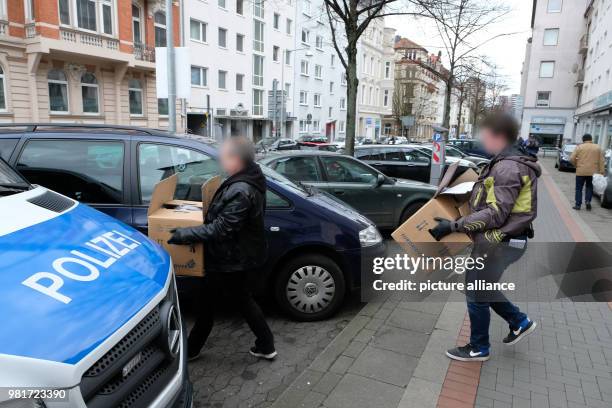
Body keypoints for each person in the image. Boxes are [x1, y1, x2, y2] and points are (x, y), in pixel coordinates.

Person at [430, 112, 541, 362]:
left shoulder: (508, 167)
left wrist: (454, 225)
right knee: (482, 287)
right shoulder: (505, 161)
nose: (482, 141)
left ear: (499, 137)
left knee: (476, 290)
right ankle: (519, 321)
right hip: (502, 241)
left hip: (501, 241)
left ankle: (479, 347)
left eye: (486, 135)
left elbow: (495, 213)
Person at [168, 136, 276, 361]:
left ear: (236, 159)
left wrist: (183, 235)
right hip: (236, 256)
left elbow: (221, 229)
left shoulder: (241, 189)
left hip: (229, 259)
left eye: (224, 156)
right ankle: (266, 345)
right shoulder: (248, 178)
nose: (220, 161)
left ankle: (191, 350)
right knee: (242, 301)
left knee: (207, 305)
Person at [570, 134, 605, 211]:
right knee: (589, 187)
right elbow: (601, 161)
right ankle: (588, 201)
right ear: (591, 139)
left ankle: (578, 205)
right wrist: (602, 171)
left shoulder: (579, 147)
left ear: (583, 140)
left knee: (579, 188)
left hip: (580, 171)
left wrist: (576, 165)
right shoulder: (597, 147)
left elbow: (572, 158)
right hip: (593, 173)